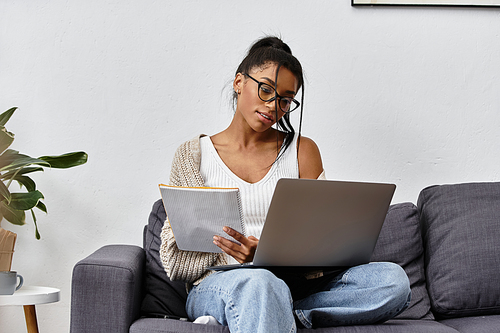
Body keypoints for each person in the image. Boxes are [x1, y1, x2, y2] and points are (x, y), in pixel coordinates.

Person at [160, 36, 411, 332]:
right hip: (219, 284)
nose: (272, 105)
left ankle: (271, 313)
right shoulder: (193, 155)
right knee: (260, 283)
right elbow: (173, 261)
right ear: (239, 82)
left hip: (294, 286)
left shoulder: (303, 151)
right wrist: (229, 252)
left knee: (392, 281)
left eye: (285, 99)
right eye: (265, 89)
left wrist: (267, 253)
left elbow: (321, 245)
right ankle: (261, 305)